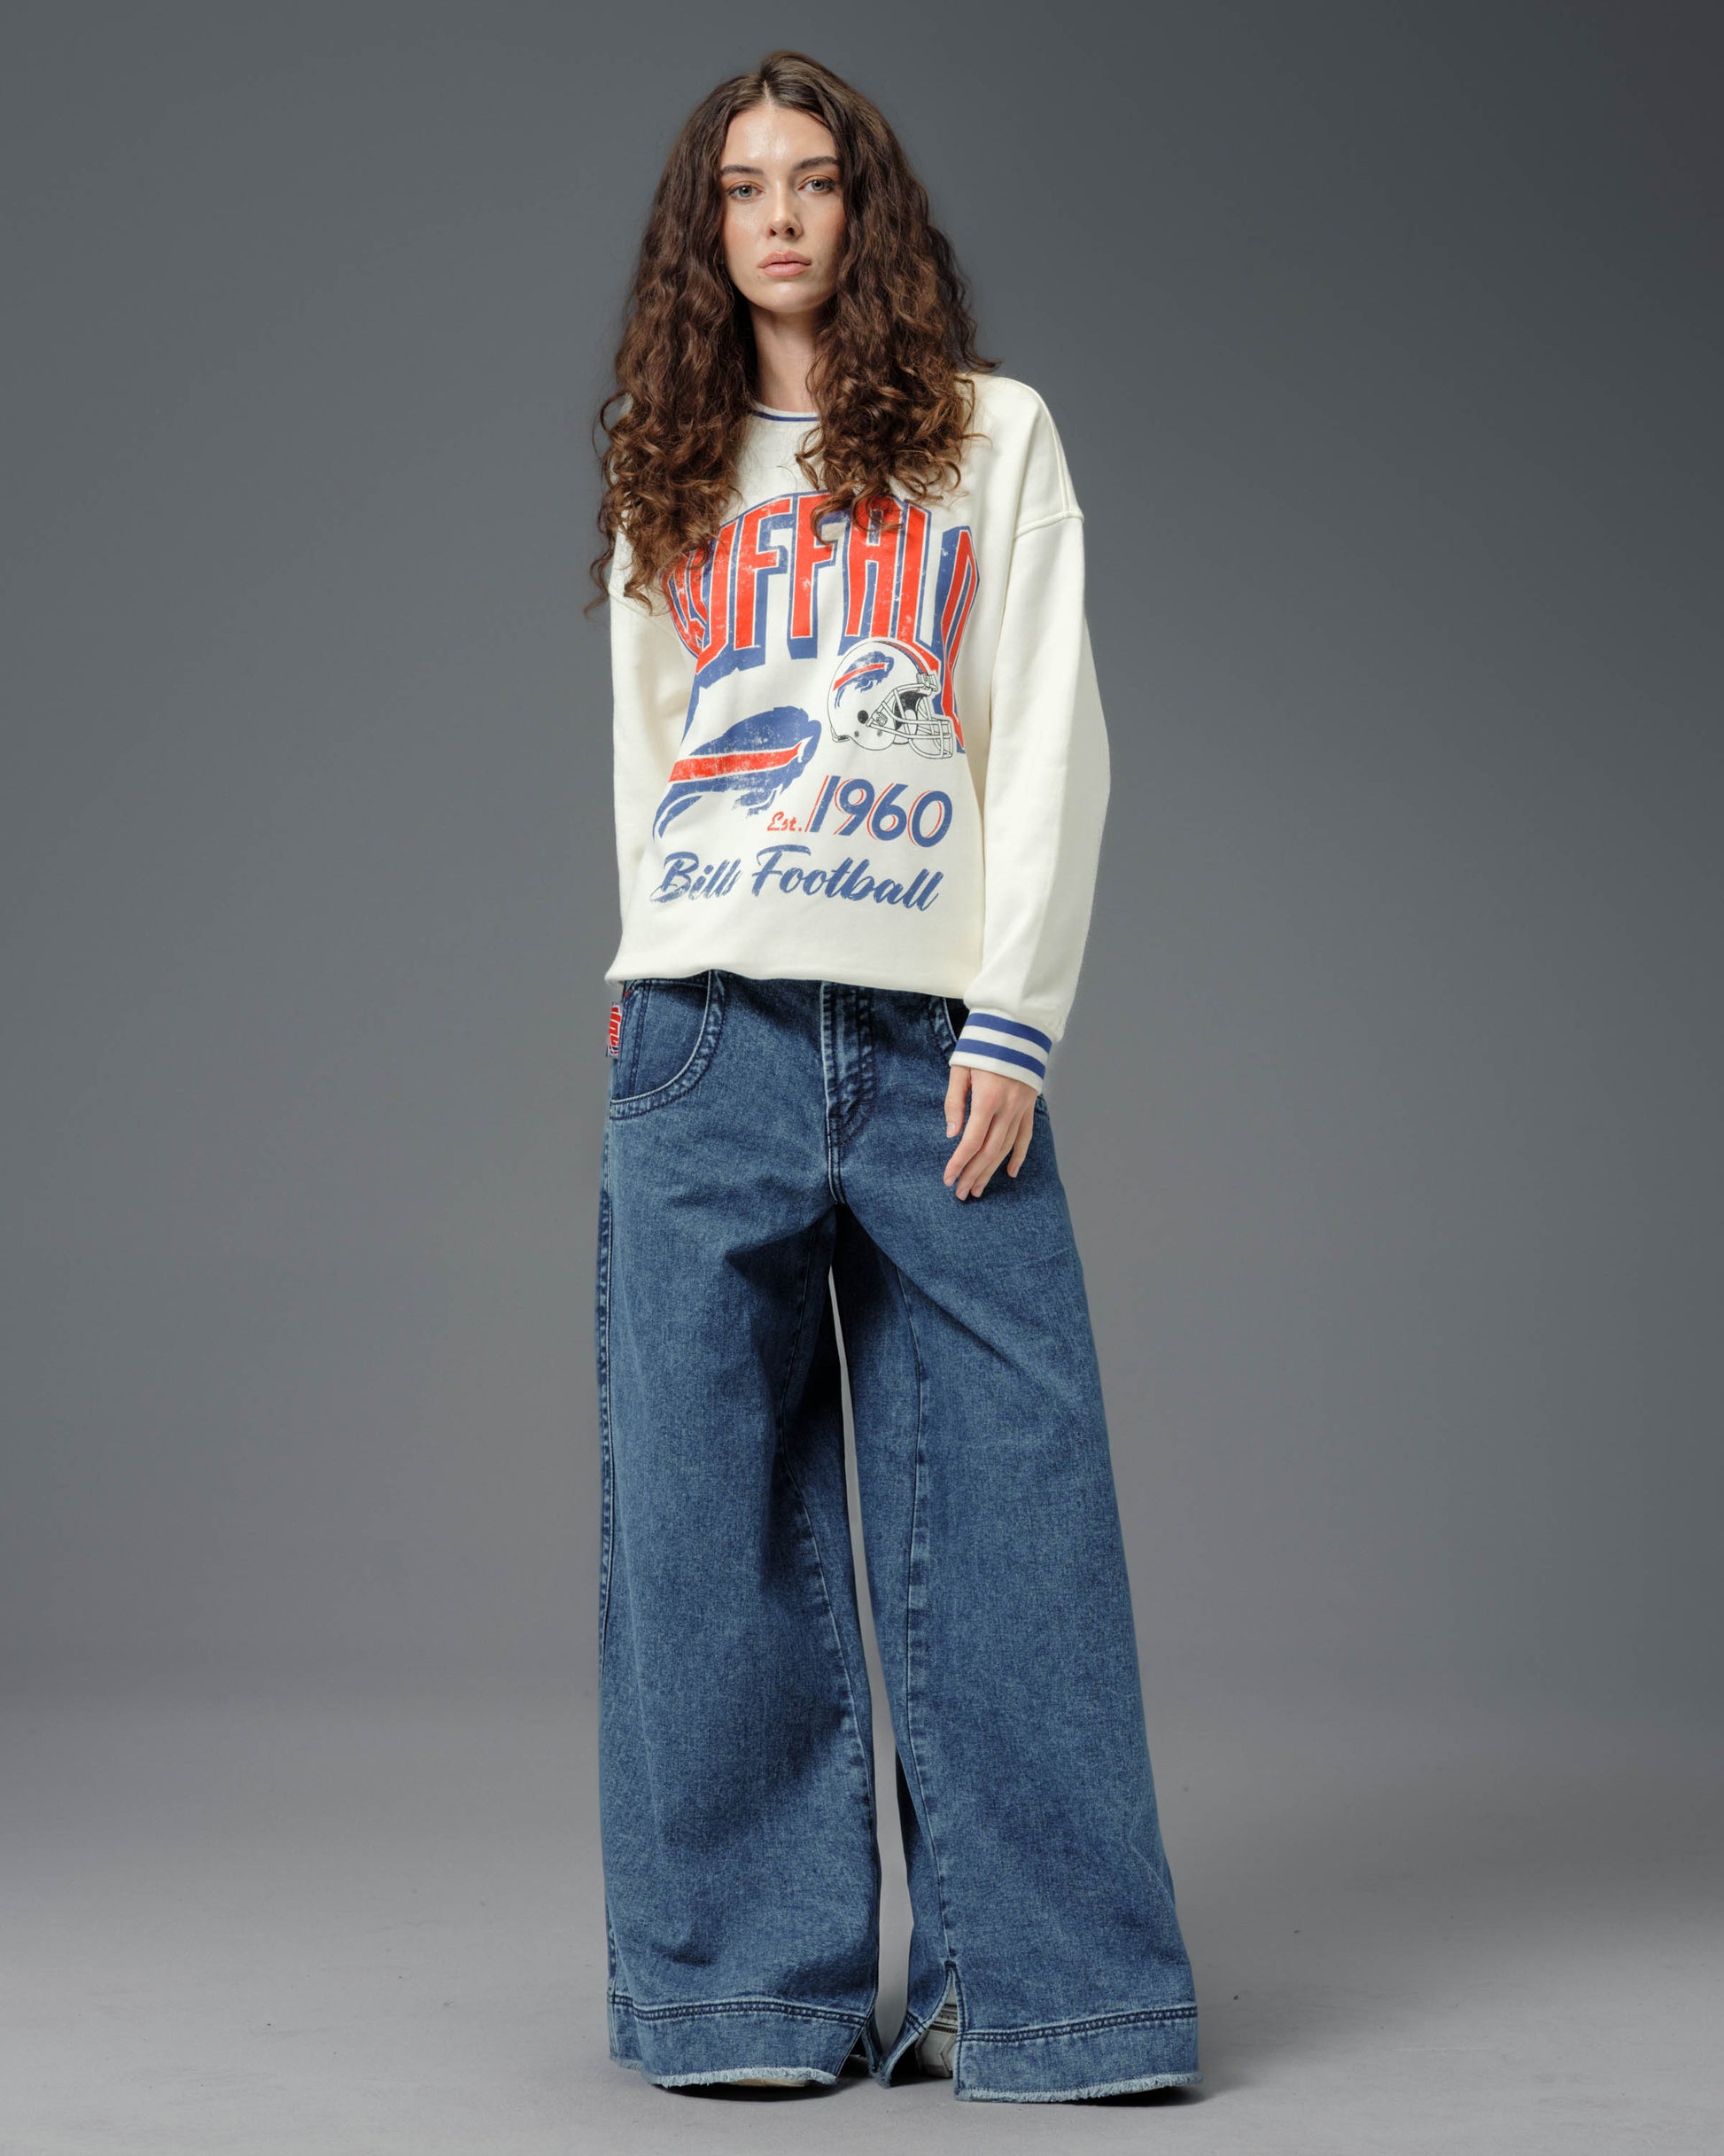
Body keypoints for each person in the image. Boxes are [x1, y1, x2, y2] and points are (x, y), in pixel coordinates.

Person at [588, 50, 1200, 2105]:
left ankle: (1049, 1993)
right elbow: (650, 748)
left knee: (1013, 1503)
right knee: (705, 1524)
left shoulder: (986, 437)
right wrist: (644, 980)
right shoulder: (666, 460)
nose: (777, 214)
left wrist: (1015, 1011)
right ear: (706, 226)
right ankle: (741, 1992)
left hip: (937, 1035)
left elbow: (1044, 728)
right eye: (741, 185)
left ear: (867, 208)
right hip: (705, 1024)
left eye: (813, 178)